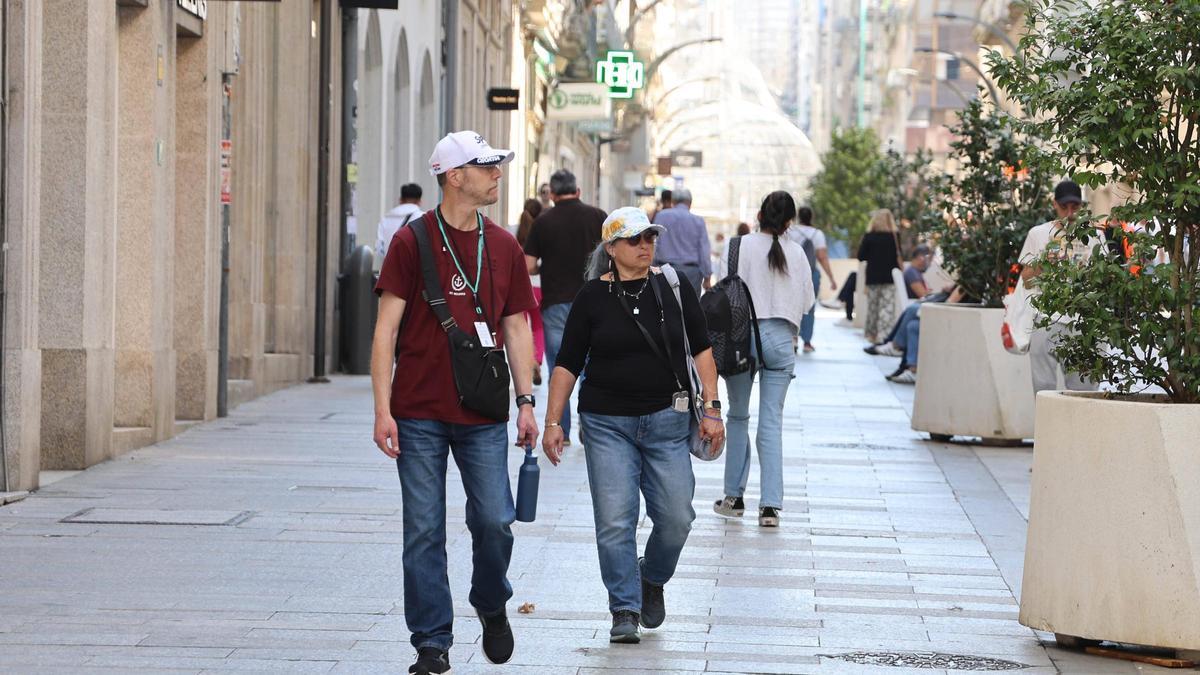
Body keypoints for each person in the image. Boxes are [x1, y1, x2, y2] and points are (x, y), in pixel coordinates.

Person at [370, 130, 538, 675]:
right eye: (485, 166)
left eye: (496, 166)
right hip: (417, 410)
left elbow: (516, 326)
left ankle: (490, 601)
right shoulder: (411, 242)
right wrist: (381, 409)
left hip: (483, 410)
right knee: (423, 529)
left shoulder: (506, 245)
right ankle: (431, 643)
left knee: (495, 521)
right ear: (454, 176)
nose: (496, 174)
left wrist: (527, 401)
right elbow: (384, 332)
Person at [543, 207, 723, 645]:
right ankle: (624, 607)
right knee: (615, 520)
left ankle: (651, 578)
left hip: (668, 419)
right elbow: (567, 362)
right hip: (606, 424)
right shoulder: (591, 297)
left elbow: (701, 349)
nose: (645, 246)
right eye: (634, 240)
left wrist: (714, 408)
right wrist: (553, 420)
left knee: (677, 516)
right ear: (611, 249)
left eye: (650, 238)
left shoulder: (673, 286)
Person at [713, 191, 814, 528]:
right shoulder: (797, 253)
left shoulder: (736, 246)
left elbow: (720, 289)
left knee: (738, 416)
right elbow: (808, 302)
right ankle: (770, 506)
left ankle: (734, 497)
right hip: (782, 341)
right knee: (771, 422)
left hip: (742, 339)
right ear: (789, 223)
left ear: (758, 214)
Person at [522, 169, 606, 446]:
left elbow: (529, 264)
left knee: (561, 366)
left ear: (554, 194)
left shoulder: (544, 221)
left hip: (556, 301)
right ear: (578, 190)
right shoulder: (598, 217)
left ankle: (563, 430)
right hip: (594, 301)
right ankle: (590, 425)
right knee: (590, 366)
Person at [1019, 179, 1100, 394]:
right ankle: (1047, 429)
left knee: (1084, 392)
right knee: (1043, 391)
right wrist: (1045, 263)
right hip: (1045, 320)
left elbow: (1104, 279)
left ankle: (1080, 430)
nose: (1070, 212)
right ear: (1055, 204)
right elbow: (1026, 279)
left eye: (1075, 206)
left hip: (1083, 323)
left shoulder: (1094, 236)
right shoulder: (1038, 234)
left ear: (1081, 206)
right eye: (1064, 207)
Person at [786, 206, 837, 352]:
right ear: (811, 218)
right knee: (809, 306)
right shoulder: (817, 234)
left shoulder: (790, 231)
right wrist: (832, 278)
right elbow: (822, 257)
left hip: (791, 274)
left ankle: (793, 338)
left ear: (798, 217)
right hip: (811, 274)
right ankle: (807, 342)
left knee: (791, 305)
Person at [857, 208, 903, 343]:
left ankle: (872, 334)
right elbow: (898, 255)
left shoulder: (869, 236)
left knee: (873, 307)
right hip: (890, 277)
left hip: (873, 277)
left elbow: (861, 257)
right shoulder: (895, 236)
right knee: (887, 307)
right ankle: (885, 335)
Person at [653, 188, 712, 294]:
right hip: (691, 274)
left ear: (673, 201)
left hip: (664, 270)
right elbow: (704, 250)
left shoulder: (661, 216)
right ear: (690, 203)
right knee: (690, 308)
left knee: (665, 307)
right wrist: (707, 277)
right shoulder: (698, 221)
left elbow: (655, 244)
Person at [516, 198, 545, 385]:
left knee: (519, 327)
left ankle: (525, 362)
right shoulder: (543, 231)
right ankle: (538, 362)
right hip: (539, 287)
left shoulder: (514, 235)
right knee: (537, 325)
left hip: (519, 287)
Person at [375, 183, 424, 272]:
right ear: (419, 201)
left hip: (391, 270)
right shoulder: (423, 218)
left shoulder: (386, 219)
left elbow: (379, 248)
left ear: (401, 200)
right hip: (414, 271)